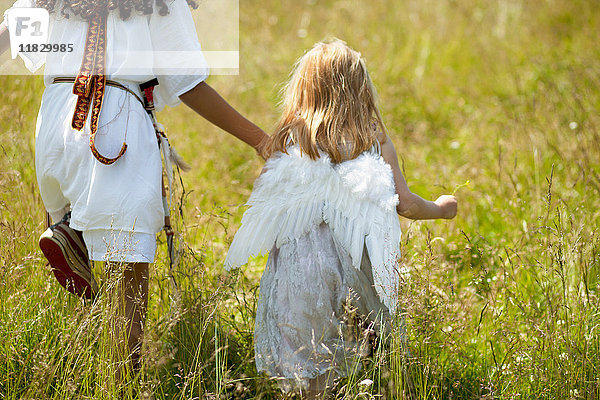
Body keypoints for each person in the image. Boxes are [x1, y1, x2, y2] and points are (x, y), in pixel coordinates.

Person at [0, 0, 268, 379]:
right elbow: (189, 84)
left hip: (56, 123)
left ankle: (72, 238)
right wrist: (261, 140)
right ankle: (123, 385)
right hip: (112, 128)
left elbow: (10, 35)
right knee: (128, 284)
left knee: (88, 265)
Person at [224, 39, 457, 399]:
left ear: (303, 92)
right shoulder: (373, 139)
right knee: (365, 343)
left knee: (311, 366)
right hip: (352, 266)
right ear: (360, 90)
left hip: (298, 273)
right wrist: (442, 208)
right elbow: (406, 204)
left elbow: (270, 200)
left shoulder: (290, 141)